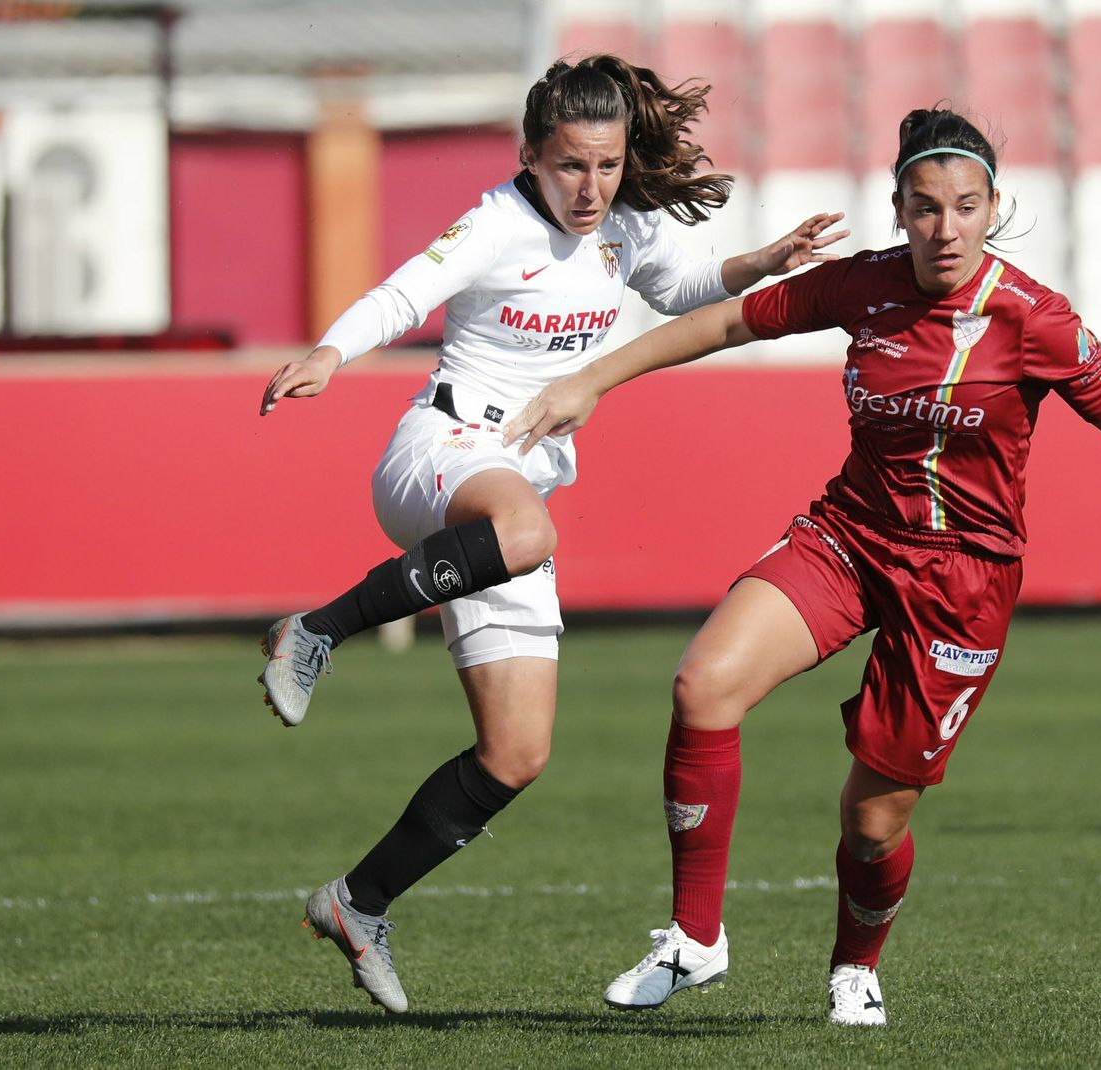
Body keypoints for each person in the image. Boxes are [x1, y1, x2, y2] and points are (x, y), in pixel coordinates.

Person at [503, 106, 1101, 1027]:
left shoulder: (1036, 319)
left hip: (962, 584)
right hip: (852, 537)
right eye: (925, 207)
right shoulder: (864, 286)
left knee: (873, 822)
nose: (945, 228)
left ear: (993, 209)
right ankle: (695, 938)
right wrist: (591, 379)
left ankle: (855, 968)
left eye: (966, 207)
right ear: (899, 210)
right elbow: (728, 323)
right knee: (703, 686)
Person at [254, 54, 846, 1015]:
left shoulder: (625, 225)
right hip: (442, 448)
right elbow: (407, 291)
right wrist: (330, 352)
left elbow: (685, 285)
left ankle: (357, 905)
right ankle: (314, 630)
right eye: (571, 164)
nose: (591, 186)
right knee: (529, 532)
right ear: (531, 154)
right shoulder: (497, 221)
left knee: (516, 752)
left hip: (510, 502)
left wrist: (763, 261)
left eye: (607, 165)